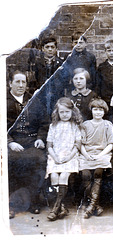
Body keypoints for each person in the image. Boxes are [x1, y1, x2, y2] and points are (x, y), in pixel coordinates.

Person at [7, 70, 49, 218]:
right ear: (10, 83)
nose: (20, 85)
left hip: (32, 142)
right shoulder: (3, 100)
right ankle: (11, 205)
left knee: (40, 160)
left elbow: (44, 123)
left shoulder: (34, 100)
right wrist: (10, 142)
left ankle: (34, 202)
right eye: (17, 82)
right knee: (9, 163)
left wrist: (40, 138)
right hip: (13, 143)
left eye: (23, 82)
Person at [46, 97, 82, 221]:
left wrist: (68, 157)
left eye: (67, 112)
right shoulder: (53, 126)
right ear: (57, 112)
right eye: (62, 112)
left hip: (70, 156)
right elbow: (49, 145)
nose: (65, 114)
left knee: (63, 176)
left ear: (72, 112)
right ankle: (62, 207)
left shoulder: (75, 126)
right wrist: (55, 157)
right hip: (55, 156)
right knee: (54, 176)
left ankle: (55, 208)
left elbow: (77, 145)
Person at [78, 98, 113, 219]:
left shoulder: (108, 125)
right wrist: (86, 155)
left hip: (102, 154)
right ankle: (96, 205)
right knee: (85, 175)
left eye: (100, 110)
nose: (98, 112)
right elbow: (81, 144)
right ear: (91, 110)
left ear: (104, 112)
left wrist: (100, 155)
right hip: (87, 154)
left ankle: (90, 207)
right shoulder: (85, 125)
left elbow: (110, 144)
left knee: (98, 173)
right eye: (95, 110)